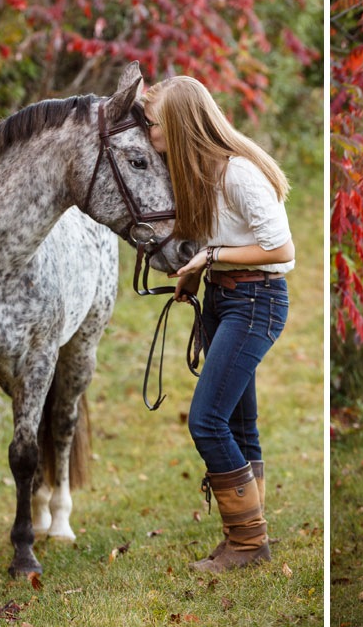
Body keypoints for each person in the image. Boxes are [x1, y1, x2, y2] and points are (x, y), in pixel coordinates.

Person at [142, 76, 294, 573]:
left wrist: (209, 256)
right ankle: (250, 538)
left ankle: (248, 545)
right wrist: (196, 274)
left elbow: (281, 249)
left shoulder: (238, 174)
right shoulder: (198, 174)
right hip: (222, 298)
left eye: (153, 123)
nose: (147, 132)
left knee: (207, 421)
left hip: (256, 300)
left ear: (180, 124)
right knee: (237, 422)